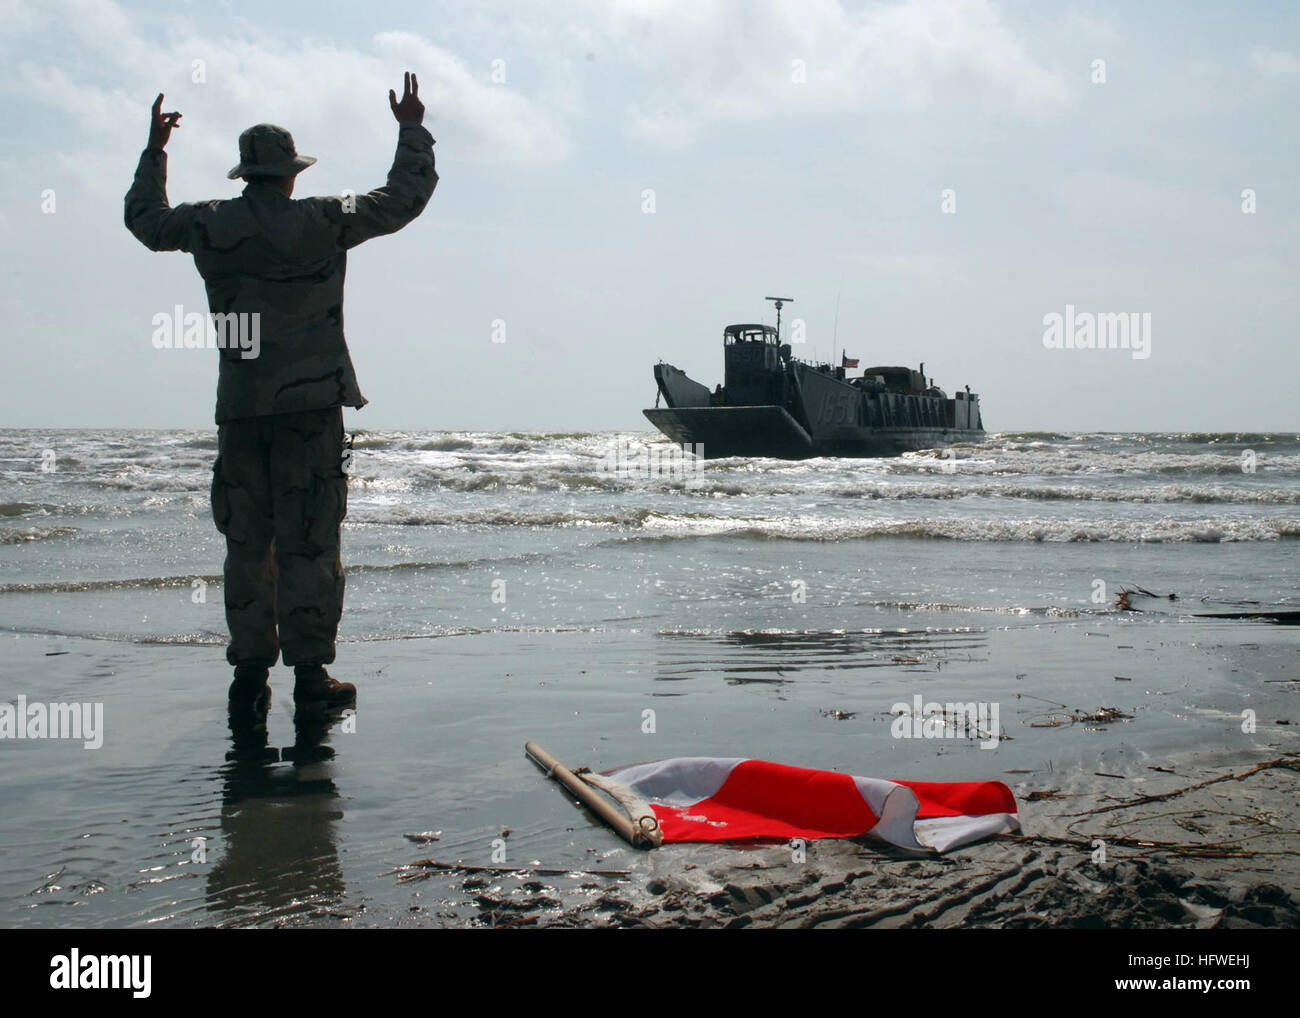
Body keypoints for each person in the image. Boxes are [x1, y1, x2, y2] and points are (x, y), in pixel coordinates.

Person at [125, 72, 438, 710]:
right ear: (290, 175)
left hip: (242, 410)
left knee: (248, 544)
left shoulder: (210, 223)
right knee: (311, 542)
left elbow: (145, 221)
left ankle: (248, 678)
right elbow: (401, 200)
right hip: (310, 409)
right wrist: (410, 130)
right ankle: (310, 677)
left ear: (245, 174)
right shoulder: (323, 219)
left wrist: (156, 151)